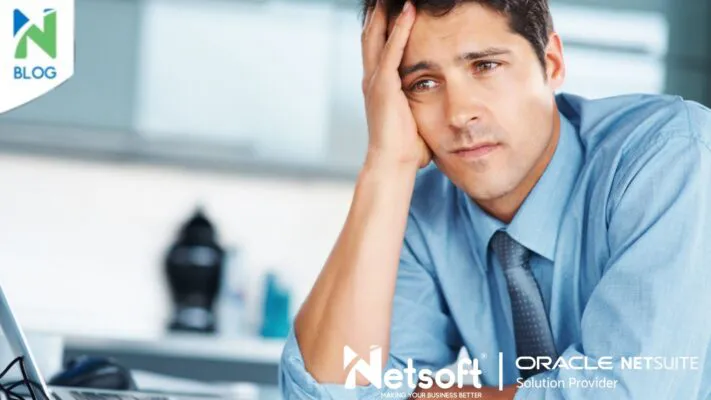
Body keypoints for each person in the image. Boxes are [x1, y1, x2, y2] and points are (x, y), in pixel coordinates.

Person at [279, 0, 711, 398]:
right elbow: (329, 392)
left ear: (552, 63)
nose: (459, 114)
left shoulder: (669, 154)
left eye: (485, 66)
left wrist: (416, 396)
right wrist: (386, 163)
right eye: (423, 83)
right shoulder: (418, 211)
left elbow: (628, 392)